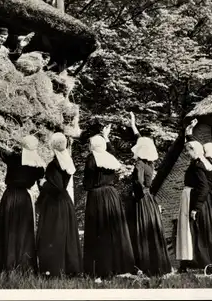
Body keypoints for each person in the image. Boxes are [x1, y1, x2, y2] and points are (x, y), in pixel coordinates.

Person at [0, 121, 45, 274]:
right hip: (25, 199)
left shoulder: (13, 157)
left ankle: (6, 266)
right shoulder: (38, 165)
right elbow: (41, 183)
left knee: (8, 229)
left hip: (9, 197)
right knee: (24, 231)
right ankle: (24, 266)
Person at [82, 125, 135, 279]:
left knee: (98, 231)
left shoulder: (92, 159)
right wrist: (106, 137)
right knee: (114, 230)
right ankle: (118, 266)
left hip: (97, 196)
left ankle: (100, 268)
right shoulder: (109, 157)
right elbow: (111, 151)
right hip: (112, 195)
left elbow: (87, 183)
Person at [128, 112, 171, 277]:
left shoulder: (139, 164)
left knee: (142, 231)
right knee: (152, 232)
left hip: (142, 200)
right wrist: (133, 125)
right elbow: (141, 141)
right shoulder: (150, 163)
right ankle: (158, 265)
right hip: (150, 199)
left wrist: (135, 195)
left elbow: (138, 183)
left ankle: (145, 266)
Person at [36, 132, 82, 277]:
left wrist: (43, 184)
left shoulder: (54, 165)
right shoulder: (67, 161)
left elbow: (56, 188)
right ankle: (69, 268)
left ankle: (54, 270)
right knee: (65, 235)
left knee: (53, 235)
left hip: (55, 205)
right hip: (65, 203)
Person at [176, 119, 212, 273]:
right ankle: (185, 265)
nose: (186, 153)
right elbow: (192, 143)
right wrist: (189, 131)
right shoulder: (198, 161)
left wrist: (195, 208)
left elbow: (204, 187)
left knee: (191, 232)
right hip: (188, 199)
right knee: (188, 232)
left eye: (188, 151)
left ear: (194, 151)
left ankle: (204, 265)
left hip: (191, 201)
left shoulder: (198, 166)